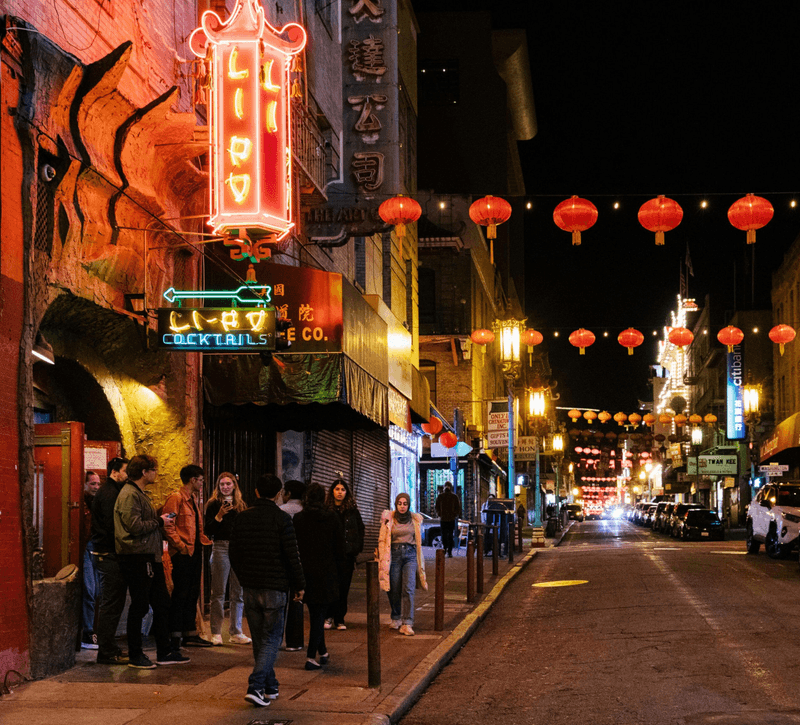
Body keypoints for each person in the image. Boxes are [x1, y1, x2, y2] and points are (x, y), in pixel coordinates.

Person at [230, 473, 305, 708]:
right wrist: (299, 585)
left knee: (260, 640)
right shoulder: (281, 519)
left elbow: (234, 552)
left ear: (255, 492)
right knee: (272, 639)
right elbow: (292, 555)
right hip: (275, 586)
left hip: (250, 586)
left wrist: (243, 577)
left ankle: (270, 686)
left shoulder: (242, 518)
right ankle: (256, 686)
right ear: (278, 494)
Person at [115, 454, 188, 668]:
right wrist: (159, 521)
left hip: (150, 554)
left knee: (161, 601)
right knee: (140, 604)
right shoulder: (130, 494)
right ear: (144, 472)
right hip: (137, 555)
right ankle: (136, 654)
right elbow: (133, 526)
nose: (157, 473)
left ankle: (164, 651)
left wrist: (158, 516)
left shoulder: (139, 493)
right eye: (154, 469)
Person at [294, 482, 344, 670]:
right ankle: (310, 657)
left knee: (315, 612)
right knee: (318, 615)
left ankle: (322, 651)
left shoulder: (299, 518)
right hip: (327, 571)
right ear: (323, 497)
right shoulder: (331, 517)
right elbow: (340, 547)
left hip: (306, 571)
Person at [162, 464, 213, 649]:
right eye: (200, 480)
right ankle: (175, 635)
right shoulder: (176, 498)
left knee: (192, 594)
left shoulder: (191, 499)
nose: (202, 484)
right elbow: (168, 524)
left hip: (194, 551)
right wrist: (181, 546)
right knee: (181, 594)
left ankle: (190, 633)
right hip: (183, 553)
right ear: (193, 480)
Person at [90, 456, 130, 665]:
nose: (128, 475)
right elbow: (111, 525)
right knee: (111, 602)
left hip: (108, 553)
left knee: (114, 602)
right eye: (126, 470)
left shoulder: (112, 492)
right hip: (107, 554)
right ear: (115, 472)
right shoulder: (110, 494)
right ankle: (106, 651)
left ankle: (109, 648)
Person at [205, 471, 250, 646]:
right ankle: (216, 632)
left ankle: (236, 631)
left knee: (238, 592)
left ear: (234, 486)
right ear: (218, 486)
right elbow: (208, 529)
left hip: (238, 548)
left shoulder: (240, 504)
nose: (225, 487)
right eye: (222, 484)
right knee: (218, 592)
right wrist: (219, 515)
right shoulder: (213, 504)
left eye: (228, 484)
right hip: (220, 547)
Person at [377, 493, 427, 636]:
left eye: (405, 503)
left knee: (408, 588)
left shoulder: (415, 519)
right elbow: (382, 539)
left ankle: (407, 623)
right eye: (400, 503)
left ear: (409, 504)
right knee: (393, 587)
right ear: (396, 504)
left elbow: (418, 540)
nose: (402, 506)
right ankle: (396, 616)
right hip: (394, 555)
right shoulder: (389, 518)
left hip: (410, 555)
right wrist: (381, 557)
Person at [325, 478, 364, 630]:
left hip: (346, 556)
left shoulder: (352, 511)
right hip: (330, 555)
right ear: (332, 491)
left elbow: (360, 530)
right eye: (337, 489)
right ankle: (328, 616)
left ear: (347, 492)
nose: (339, 492)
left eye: (342, 489)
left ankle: (340, 618)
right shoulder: (327, 510)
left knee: (344, 587)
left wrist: (356, 548)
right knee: (330, 585)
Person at [280, 479, 306, 652]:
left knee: (281, 601)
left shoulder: (281, 512)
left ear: (288, 494)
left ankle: (276, 638)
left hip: (282, 559)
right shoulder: (305, 512)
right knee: (297, 599)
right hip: (302, 559)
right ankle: (295, 641)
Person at [81, 471, 102, 649]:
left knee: (98, 592)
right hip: (87, 548)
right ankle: (87, 632)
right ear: (85, 484)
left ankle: (93, 631)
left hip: (96, 548)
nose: (96, 487)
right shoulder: (83, 503)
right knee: (89, 590)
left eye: (97, 484)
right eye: (93, 483)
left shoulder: (97, 503)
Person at [435, 482, 461, 558]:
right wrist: (440, 514)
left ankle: (447, 550)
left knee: (447, 535)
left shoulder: (452, 497)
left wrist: (454, 514)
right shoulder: (443, 496)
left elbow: (457, 508)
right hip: (447, 518)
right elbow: (437, 507)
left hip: (447, 519)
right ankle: (447, 550)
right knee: (447, 535)